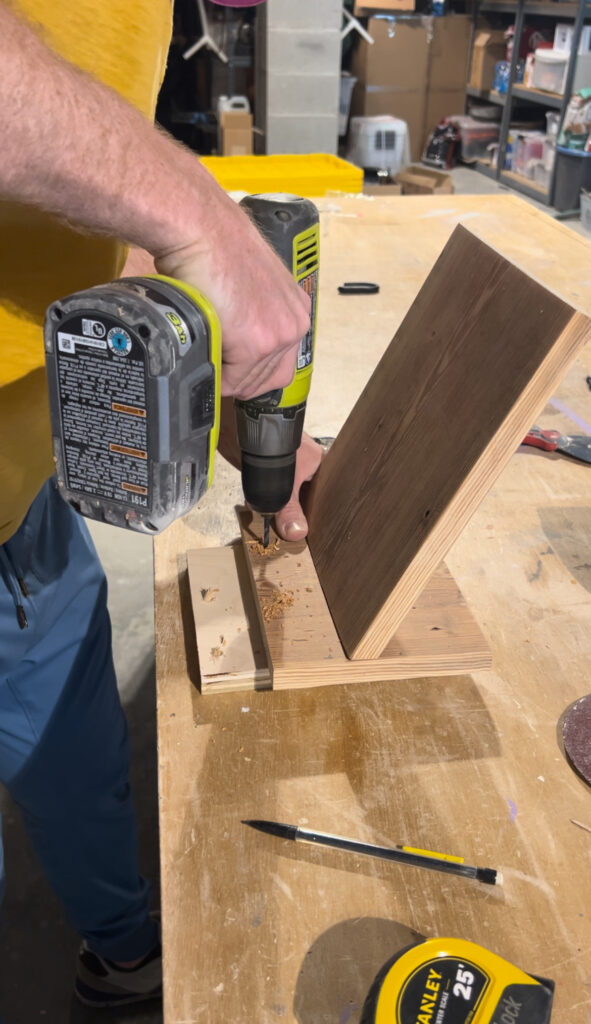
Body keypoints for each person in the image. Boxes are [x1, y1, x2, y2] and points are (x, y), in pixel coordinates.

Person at [0, 0, 322, 1010]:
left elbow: (65, 171)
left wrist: (193, 375)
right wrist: (201, 217)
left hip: (19, 482)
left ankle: (126, 943)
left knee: (70, 730)